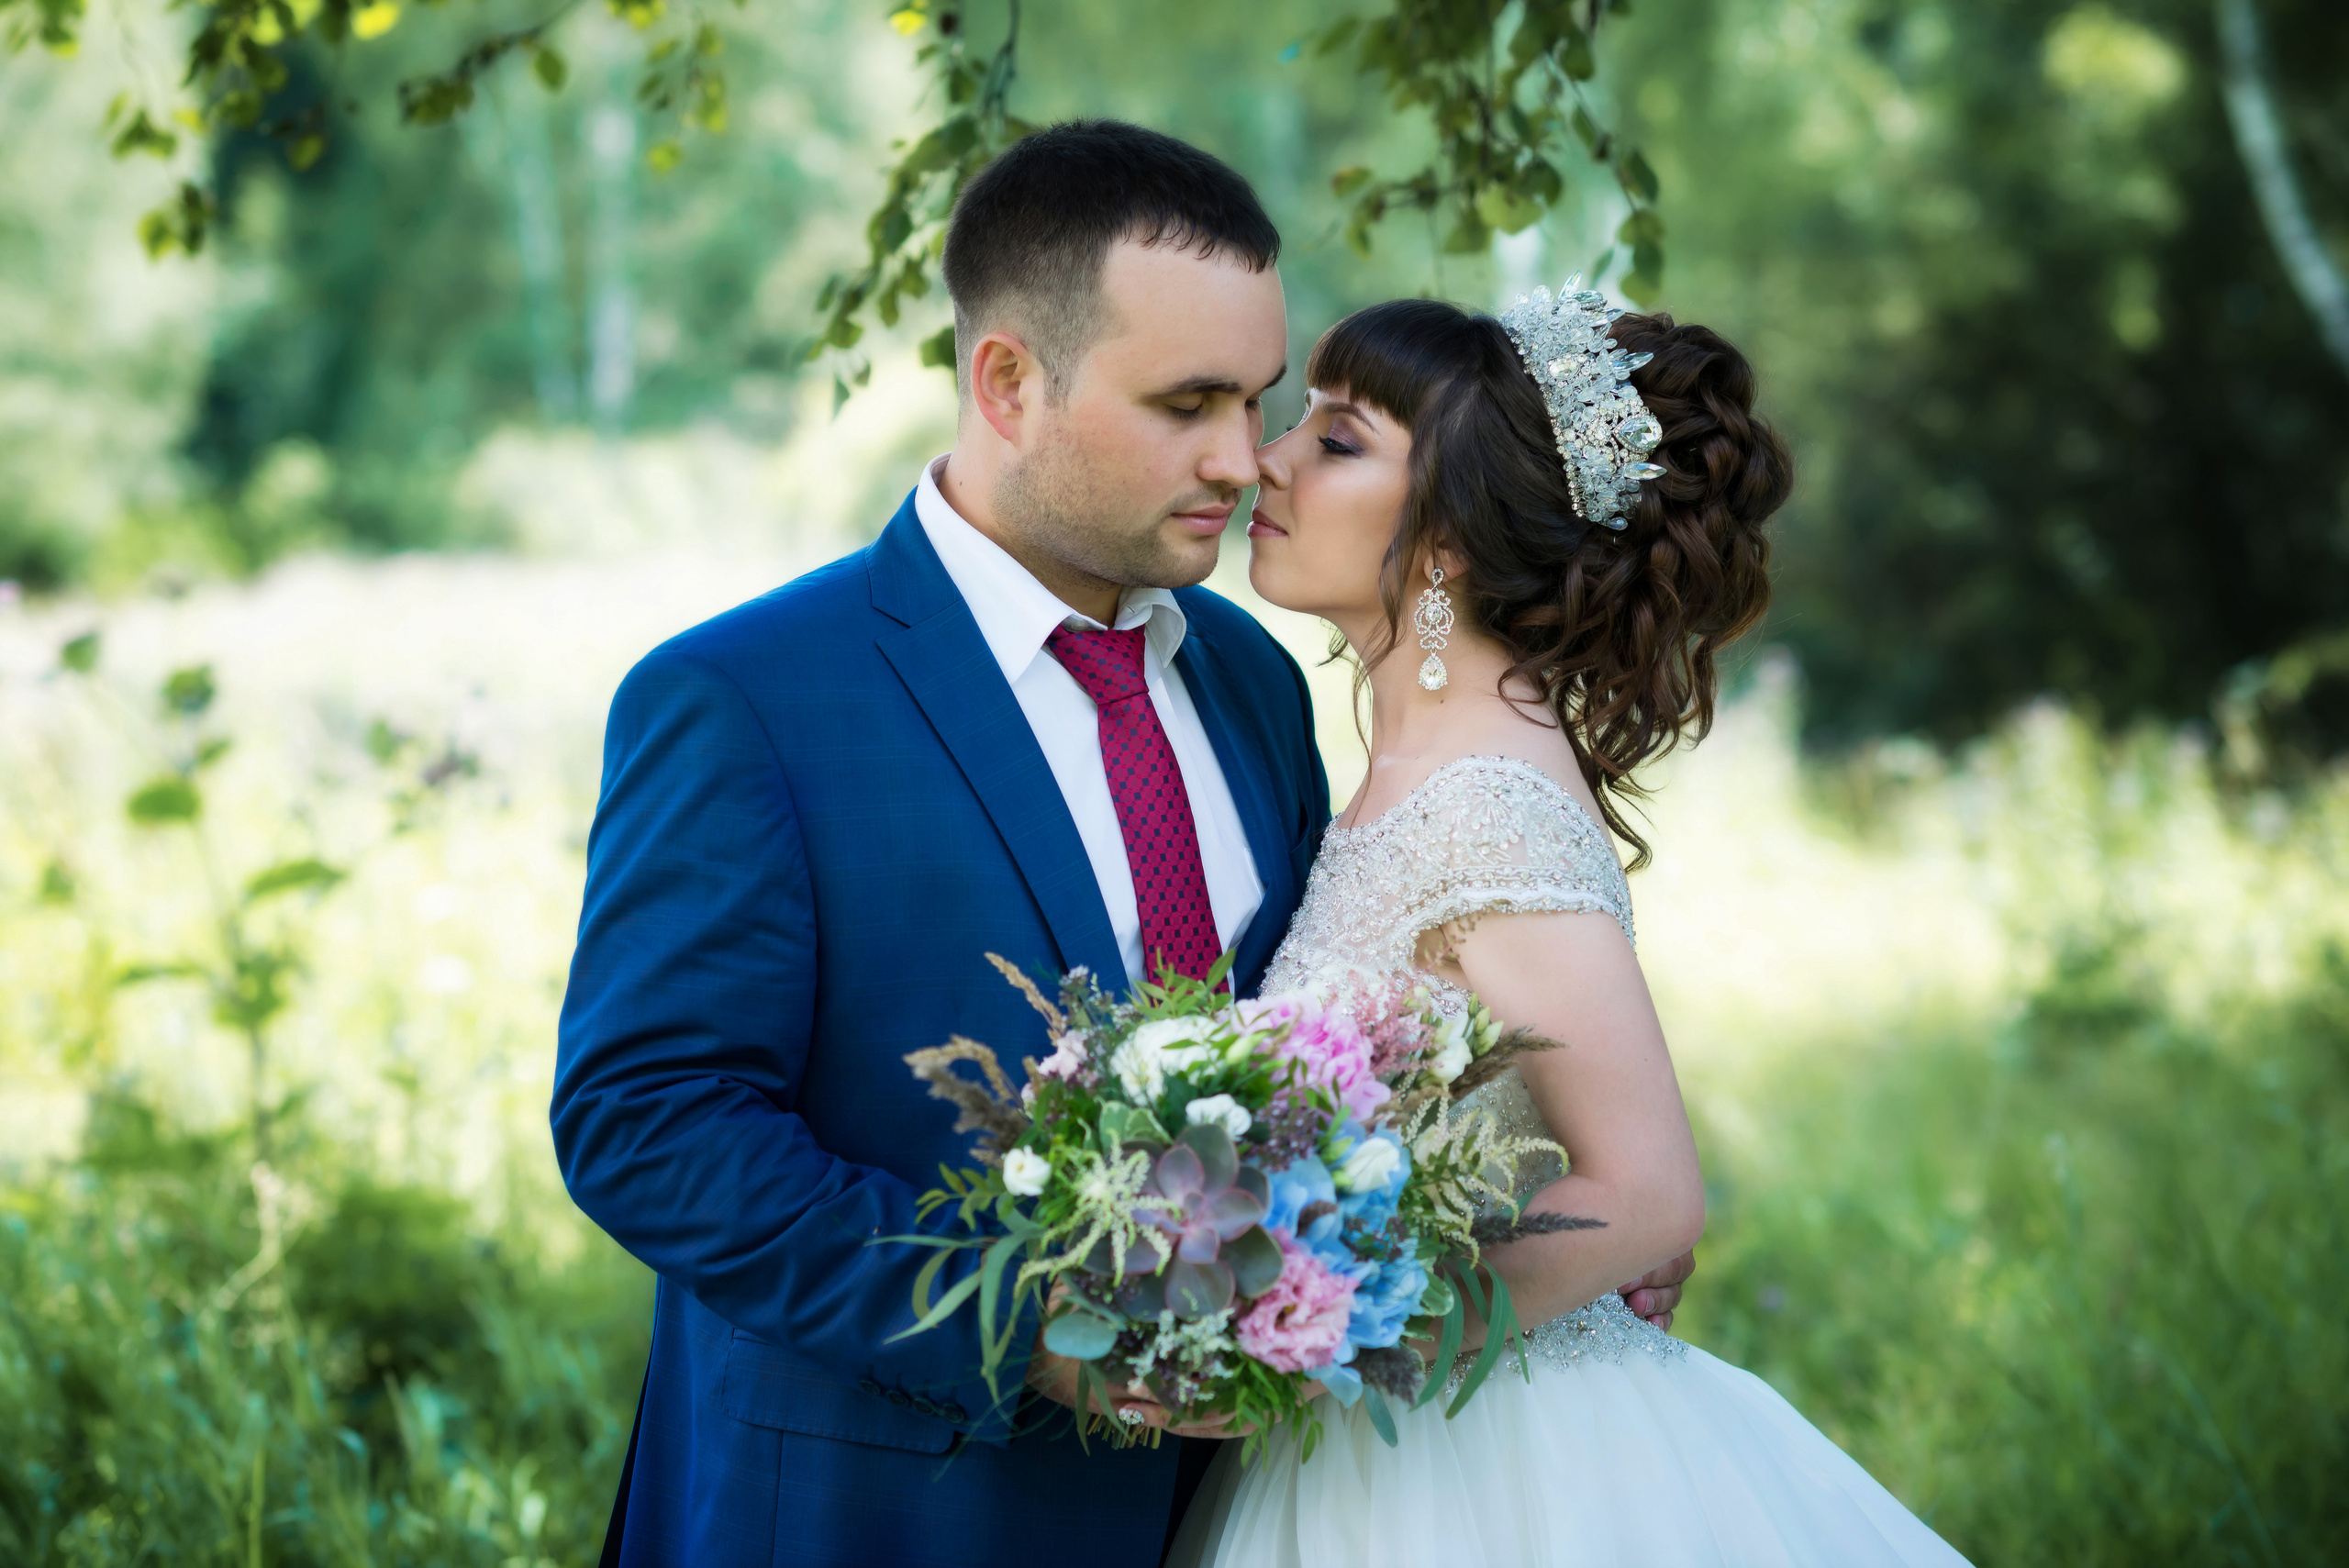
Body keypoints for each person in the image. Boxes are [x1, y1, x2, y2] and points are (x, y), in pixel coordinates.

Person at [552, 121, 1696, 1568]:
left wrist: (1554, 1228)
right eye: (1188, 403)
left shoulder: (1252, 680)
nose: (1243, 458)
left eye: (1262, 399)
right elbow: (648, 1119)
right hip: (879, 1512)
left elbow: (1364, 1051)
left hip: (1249, 1514)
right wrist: (1024, 1318)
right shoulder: (747, 698)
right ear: (1009, 381)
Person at [1166, 292, 1971, 1565]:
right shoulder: (1406, 769)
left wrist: (1341, 1328)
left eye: (1338, 437)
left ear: (1446, 542)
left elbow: (1649, 1189)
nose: (1267, 454)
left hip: (1487, 1465)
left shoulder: (1485, 804)